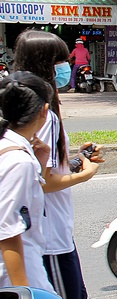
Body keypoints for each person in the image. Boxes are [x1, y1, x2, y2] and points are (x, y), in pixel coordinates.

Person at [14, 30, 103, 299]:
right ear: (45, 65)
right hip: (50, 235)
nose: (65, 68)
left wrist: (74, 161)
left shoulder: (25, 108)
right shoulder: (44, 115)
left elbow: (44, 167)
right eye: (59, 62)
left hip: (46, 232)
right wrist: (86, 173)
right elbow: (44, 182)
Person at [0, 72, 55, 293]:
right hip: (18, 272)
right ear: (44, 110)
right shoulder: (18, 161)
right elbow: (7, 231)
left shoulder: (13, 149)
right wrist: (23, 291)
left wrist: (40, 161)